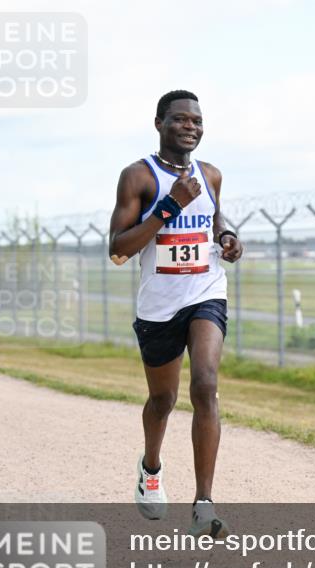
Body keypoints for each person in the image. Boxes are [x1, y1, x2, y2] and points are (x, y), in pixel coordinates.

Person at [108, 90, 242, 537]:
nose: (191, 126)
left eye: (197, 121)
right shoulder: (137, 177)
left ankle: (204, 503)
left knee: (205, 386)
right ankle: (150, 468)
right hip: (159, 306)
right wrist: (169, 207)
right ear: (160, 123)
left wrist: (228, 237)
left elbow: (215, 217)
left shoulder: (211, 175)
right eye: (181, 119)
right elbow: (118, 250)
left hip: (206, 291)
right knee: (163, 400)